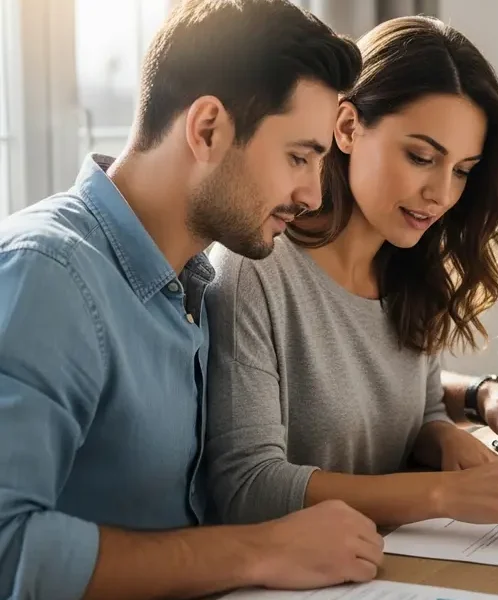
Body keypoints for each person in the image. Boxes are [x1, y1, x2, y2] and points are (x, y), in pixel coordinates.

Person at [0, 2, 388, 599]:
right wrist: (262, 550)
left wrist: (472, 394)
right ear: (207, 128)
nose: (312, 193)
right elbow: (7, 550)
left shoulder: (192, 286)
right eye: (299, 157)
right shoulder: (49, 275)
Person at [205, 15, 498, 533]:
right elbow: (250, 488)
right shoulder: (256, 271)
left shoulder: (408, 266)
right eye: (421, 156)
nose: (442, 194)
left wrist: (446, 432)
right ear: (348, 127)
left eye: (463, 170)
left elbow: (413, 413)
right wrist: (445, 492)